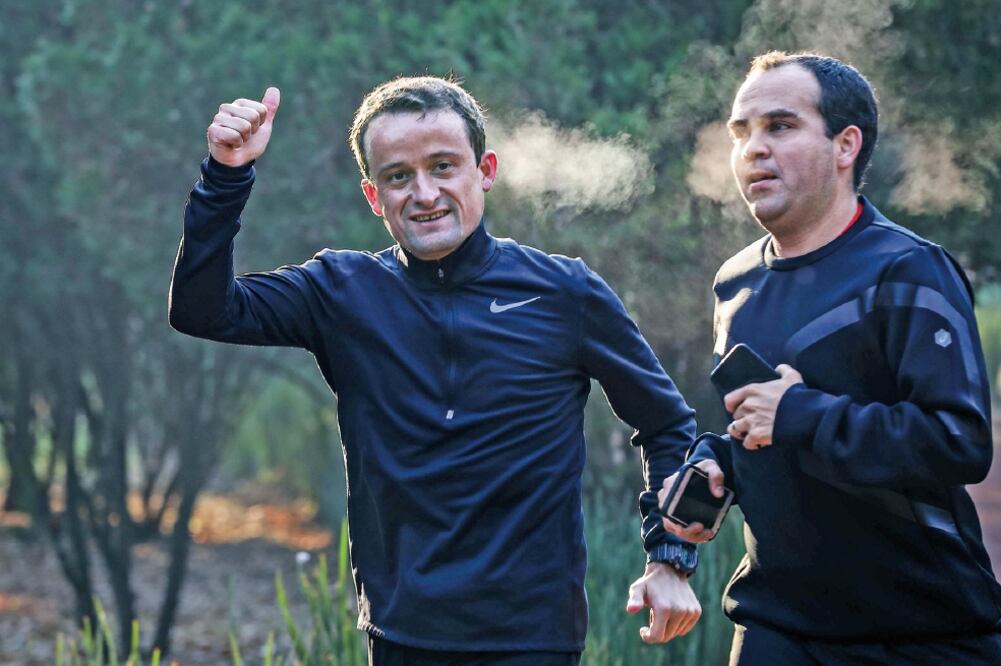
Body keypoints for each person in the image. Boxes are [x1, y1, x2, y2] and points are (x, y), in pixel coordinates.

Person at [169, 76, 701, 664]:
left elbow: (668, 425)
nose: (424, 193)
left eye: (443, 167)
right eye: (398, 176)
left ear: (485, 171)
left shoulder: (564, 292)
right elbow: (201, 311)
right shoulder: (341, 292)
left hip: (535, 640)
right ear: (374, 197)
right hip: (401, 637)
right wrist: (226, 175)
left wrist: (670, 557)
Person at [660, 52, 1001, 664]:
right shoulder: (735, 282)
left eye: (780, 126)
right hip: (774, 624)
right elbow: (756, 427)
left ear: (846, 145)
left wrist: (800, 414)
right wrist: (716, 463)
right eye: (741, 132)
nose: (753, 149)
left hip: (921, 633)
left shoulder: (909, 270)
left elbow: (959, 441)